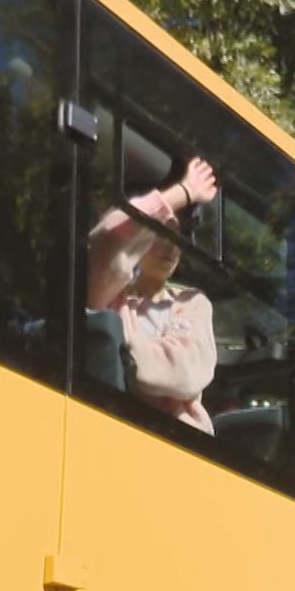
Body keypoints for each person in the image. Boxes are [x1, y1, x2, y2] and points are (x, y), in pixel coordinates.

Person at [86, 157, 220, 434]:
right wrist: (180, 195)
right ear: (141, 239)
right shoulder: (112, 293)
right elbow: (109, 237)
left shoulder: (191, 303)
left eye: (178, 239)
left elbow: (185, 373)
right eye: (160, 234)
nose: (171, 248)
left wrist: (122, 353)